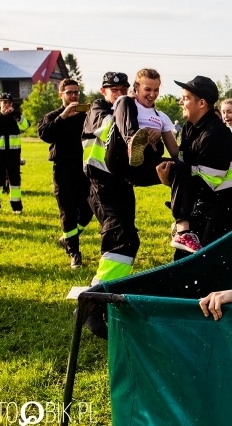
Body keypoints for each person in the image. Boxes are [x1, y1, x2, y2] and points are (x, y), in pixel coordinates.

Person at [156, 76, 232, 259]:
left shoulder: (214, 135)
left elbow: (206, 184)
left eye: (185, 98)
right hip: (210, 196)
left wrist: (175, 183)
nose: (180, 102)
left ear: (201, 103)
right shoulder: (189, 128)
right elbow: (188, 169)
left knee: (207, 257)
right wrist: (169, 178)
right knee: (184, 255)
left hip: (230, 201)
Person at [81, 72, 131, 339]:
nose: (120, 93)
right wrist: (127, 110)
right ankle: (93, 301)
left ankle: (101, 295)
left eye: (124, 88)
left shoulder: (122, 109)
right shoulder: (97, 110)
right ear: (103, 91)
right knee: (119, 239)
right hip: (101, 184)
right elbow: (107, 128)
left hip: (120, 184)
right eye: (115, 90)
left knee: (129, 241)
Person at [37, 78, 94, 268]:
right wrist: (63, 116)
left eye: (76, 92)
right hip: (62, 169)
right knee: (68, 211)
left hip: (84, 168)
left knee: (88, 209)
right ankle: (74, 252)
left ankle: (68, 238)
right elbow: (45, 135)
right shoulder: (52, 116)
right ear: (61, 95)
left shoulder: (85, 115)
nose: (74, 96)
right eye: (69, 92)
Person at [0, 92, 29, 215]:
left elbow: (26, 126)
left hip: (13, 156)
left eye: (9, 103)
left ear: (12, 104)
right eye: (4, 102)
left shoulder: (16, 118)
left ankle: (17, 207)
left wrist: (16, 114)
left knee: (15, 182)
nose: (6, 105)